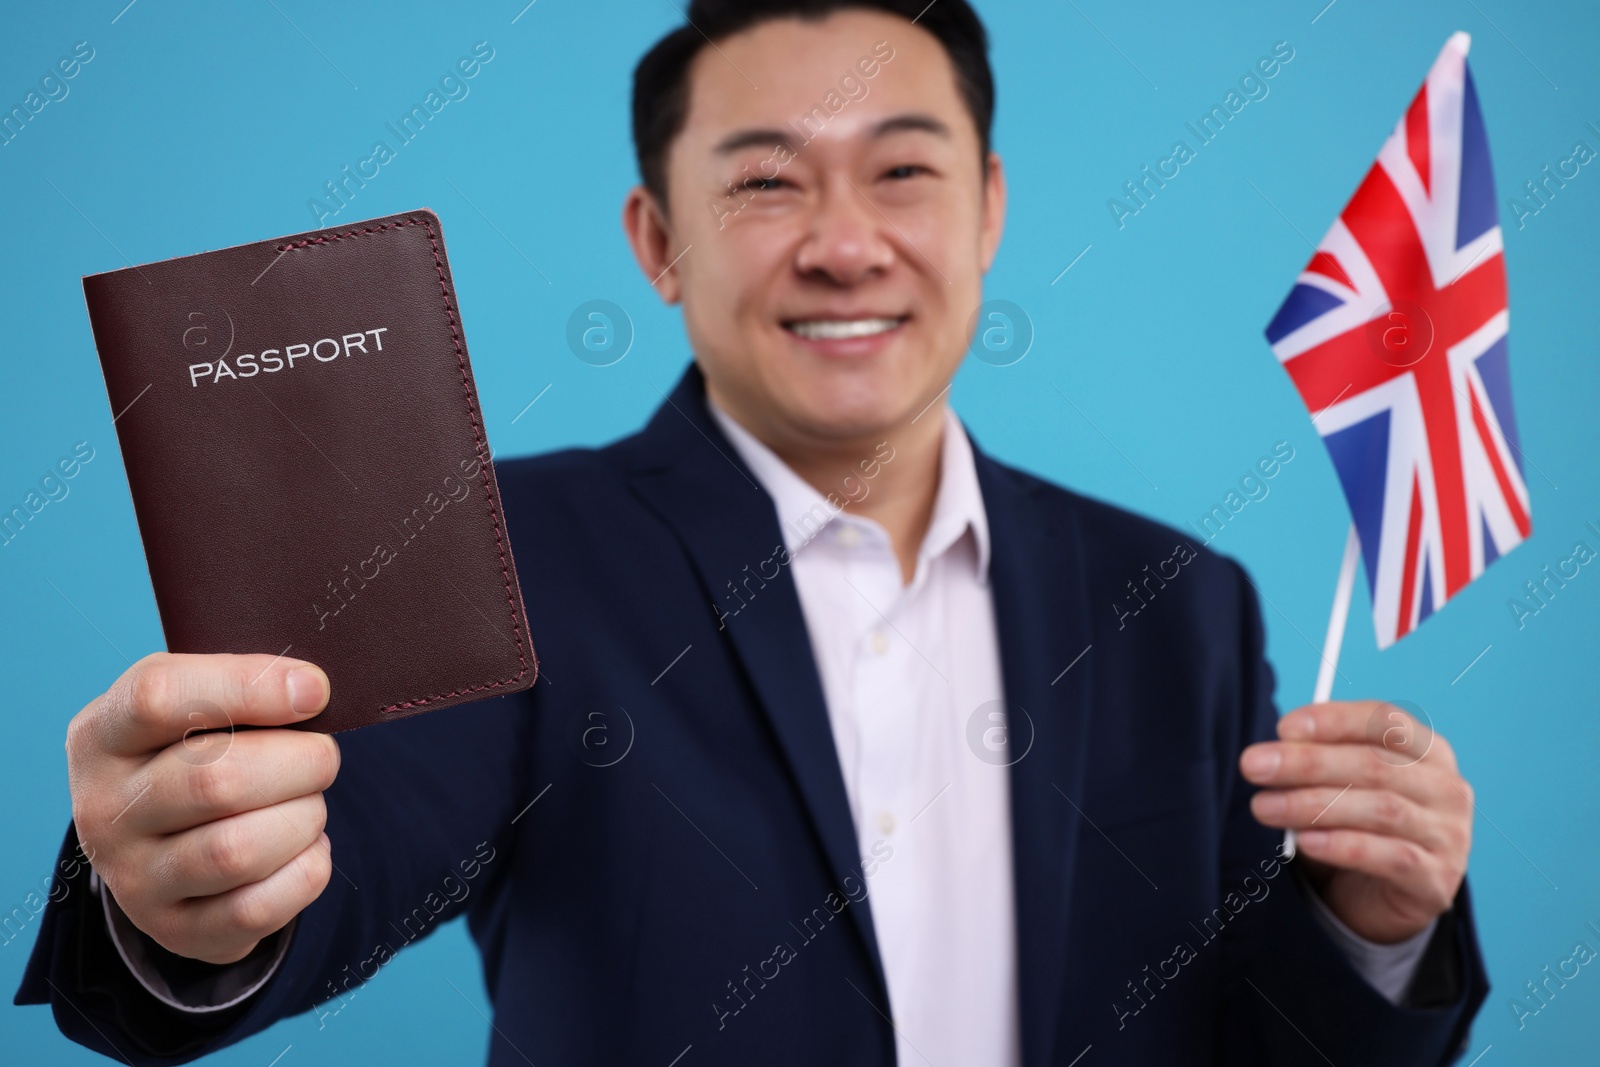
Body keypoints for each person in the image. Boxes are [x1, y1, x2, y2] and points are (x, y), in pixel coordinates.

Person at [16, 1, 1488, 1063]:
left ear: (986, 213)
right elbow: (350, 842)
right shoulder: (503, 542)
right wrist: (193, 902)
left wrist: (1374, 926)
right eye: (767, 180)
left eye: (904, 171)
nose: (845, 241)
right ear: (657, 244)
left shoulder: (1179, 598)